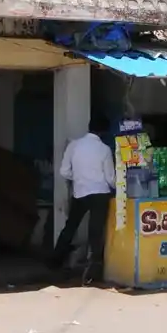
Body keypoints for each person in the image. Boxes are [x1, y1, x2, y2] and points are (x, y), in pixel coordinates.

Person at [48, 116, 116, 279]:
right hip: (100, 193)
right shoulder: (104, 149)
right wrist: (119, 188)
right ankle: (94, 268)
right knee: (96, 231)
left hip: (80, 192)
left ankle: (55, 260)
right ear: (103, 132)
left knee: (70, 226)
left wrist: (78, 177)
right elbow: (110, 177)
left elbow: (64, 172)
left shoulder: (73, 145)